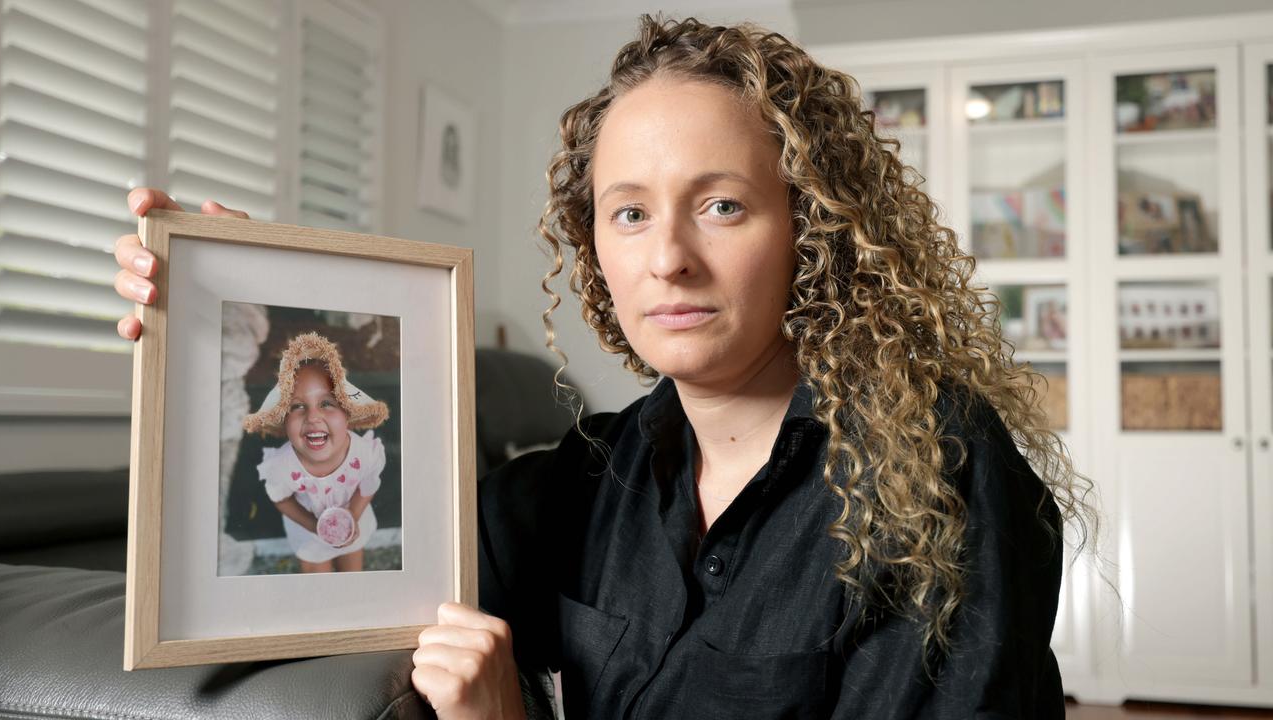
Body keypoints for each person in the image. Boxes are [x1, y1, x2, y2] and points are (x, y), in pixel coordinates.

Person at [113, 15, 1094, 719]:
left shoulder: (940, 478)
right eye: (628, 212)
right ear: (593, 250)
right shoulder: (573, 482)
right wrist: (236, 336)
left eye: (720, 205)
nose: (666, 256)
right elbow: (320, 593)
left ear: (812, 233)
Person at [243, 331, 389, 573]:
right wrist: (313, 525)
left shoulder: (363, 452)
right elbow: (281, 498)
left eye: (327, 403)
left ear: (348, 415)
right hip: (310, 533)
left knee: (353, 566)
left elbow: (368, 483)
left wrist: (352, 516)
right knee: (317, 578)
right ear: (283, 421)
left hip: (354, 519)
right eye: (297, 406)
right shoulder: (281, 465)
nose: (312, 417)